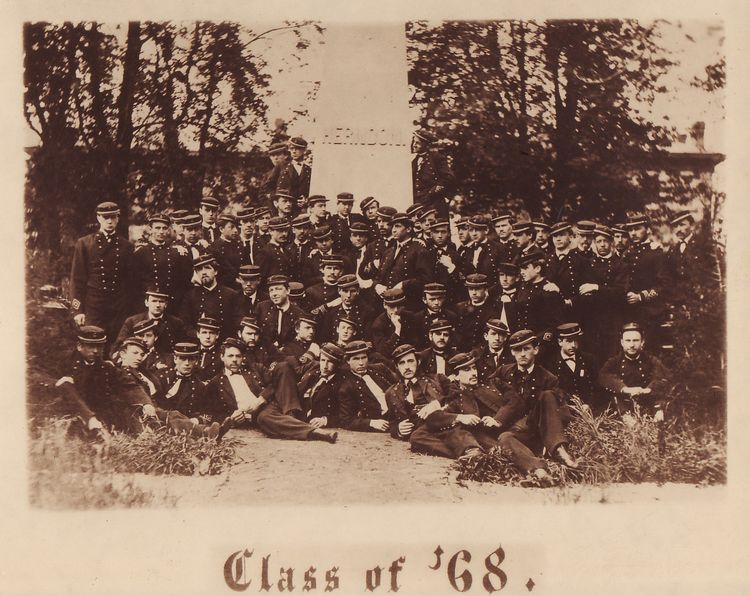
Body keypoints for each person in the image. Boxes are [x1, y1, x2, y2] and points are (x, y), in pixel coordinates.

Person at [204, 338, 337, 442]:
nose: (234, 360)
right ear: (222, 357)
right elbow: (214, 412)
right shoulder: (216, 383)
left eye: (238, 356)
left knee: (283, 367)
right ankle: (316, 433)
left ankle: (291, 414)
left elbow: (275, 383)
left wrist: (261, 399)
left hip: (270, 404)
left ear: (242, 357)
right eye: (230, 356)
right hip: (254, 415)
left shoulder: (255, 368)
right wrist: (231, 418)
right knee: (265, 419)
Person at [493, 330, 579, 483]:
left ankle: (559, 450)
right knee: (504, 438)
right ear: (512, 352)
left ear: (536, 350)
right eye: (518, 350)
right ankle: (538, 470)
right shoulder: (503, 373)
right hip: (514, 430)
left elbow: (561, 412)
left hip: (538, 431)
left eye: (526, 349)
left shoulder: (549, 378)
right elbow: (487, 393)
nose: (522, 354)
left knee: (547, 395)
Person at [70, 201, 134, 343]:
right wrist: (78, 310)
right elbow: (77, 279)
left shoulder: (126, 246)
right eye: (106, 218)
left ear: (118, 218)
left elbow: (130, 281)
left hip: (118, 305)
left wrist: (129, 309)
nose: (110, 221)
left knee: (116, 343)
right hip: (93, 304)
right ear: (98, 218)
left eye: (113, 217)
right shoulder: (85, 243)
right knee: (92, 342)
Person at [598, 323, 671, 418]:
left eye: (635, 340)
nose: (632, 345)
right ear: (622, 342)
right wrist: (625, 389)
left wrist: (648, 390)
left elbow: (663, 378)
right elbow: (603, 376)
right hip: (622, 408)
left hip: (647, 405)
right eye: (628, 341)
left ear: (642, 342)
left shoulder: (651, 361)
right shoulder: (614, 362)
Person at [385, 344, 446, 441]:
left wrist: (437, 404)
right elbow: (392, 423)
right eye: (402, 363)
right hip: (419, 437)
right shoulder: (391, 393)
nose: (407, 367)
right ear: (396, 366)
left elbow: (456, 398)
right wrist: (398, 430)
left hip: (443, 427)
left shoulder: (438, 379)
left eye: (410, 361)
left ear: (418, 361)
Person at [133, 212, 192, 309]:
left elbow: (184, 282)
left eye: (164, 228)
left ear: (168, 230)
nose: (161, 232)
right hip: (149, 305)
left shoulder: (176, 253)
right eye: (157, 228)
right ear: (150, 229)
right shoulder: (141, 253)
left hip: (172, 304)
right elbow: (135, 283)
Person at [338, 340, 398, 432]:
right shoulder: (347, 387)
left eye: (364, 358)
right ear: (348, 361)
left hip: (399, 411)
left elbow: (399, 384)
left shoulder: (380, 369)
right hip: (385, 423)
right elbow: (346, 420)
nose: (361, 363)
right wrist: (371, 422)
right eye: (356, 359)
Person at [374, 212, 432, 308]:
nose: (393, 230)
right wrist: (377, 286)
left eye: (397, 226)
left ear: (408, 229)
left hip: (409, 305)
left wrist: (403, 285)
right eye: (392, 227)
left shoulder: (419, 250)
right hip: (387, 304)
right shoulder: (388, 252)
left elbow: (426, 279)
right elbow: (378, 276)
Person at [179, 253, 239, 339]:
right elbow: (184, 323)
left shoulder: (231, 294)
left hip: (225, 341)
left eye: (207, 268)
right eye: (199, 269)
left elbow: (236, 322)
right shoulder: (190, 296)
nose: (203, 272)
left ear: (216, 271)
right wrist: (197, 335)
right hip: (199, 341)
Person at [115, 287, 186, 355]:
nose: (158, 305)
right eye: (154, 301)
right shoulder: (132, 321)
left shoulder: (176, 323)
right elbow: (119, 346)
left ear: (166, 304)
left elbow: (181, 347)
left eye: (161, 301)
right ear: (146, 303)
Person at [544, 323, 599, 410]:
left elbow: (597, 387)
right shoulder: (551, 364)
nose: (573, 345)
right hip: (563, 412)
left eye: (576, 340)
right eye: (569, 341)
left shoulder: (589, 359)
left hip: (589, 411)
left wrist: (589, 404)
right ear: (560, 342)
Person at [297, 342, 346, 428]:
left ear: (337, 365)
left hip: (316, 425)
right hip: (300, 419)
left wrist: (326, 420)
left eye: (330, 362)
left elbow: (347, 416)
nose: (325, 366)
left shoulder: (341, 384)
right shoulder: (314, 375)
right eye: (323, 360)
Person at [411, 128, 454, 219]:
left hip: (434, 204)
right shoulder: (414, 161)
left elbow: (448, 178)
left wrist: (432, 192)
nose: (414, 145)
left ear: (425, 144)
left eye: (417, 143)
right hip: (418, 205)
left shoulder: (436, 158)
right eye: (414, 142)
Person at [255, 275, 305, 350]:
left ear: (288, 290)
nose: (274, 294)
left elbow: (300, 340)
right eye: (271, 290)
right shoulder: (262, 307)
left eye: (278, 289)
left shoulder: (298, 314)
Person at [454, 273, 500, 352]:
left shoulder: (494, 308)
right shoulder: (460, 308)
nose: (474, 293)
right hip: (462, 352)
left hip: (484, 352)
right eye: (471, 289)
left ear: (485, 289)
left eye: (477, 289)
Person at [371, 288, 421, 359]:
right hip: (390, 360)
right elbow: (383, 352)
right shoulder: (378, 324)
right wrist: (397, 330)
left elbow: (416, 342)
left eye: (399, 306)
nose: (396, 310)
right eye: (392, 306)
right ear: (385, 305)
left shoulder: (409, 317)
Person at [256, 216, 297, 285]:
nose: (284, 234)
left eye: (286, 230)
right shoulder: (265, 252)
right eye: (280, 230)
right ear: (270, 231)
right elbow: (260, 279)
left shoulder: (287, 250)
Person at [210, 213, 242, 289]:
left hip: (240, 286)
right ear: (221, 229)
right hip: (223, 287)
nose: (235, 230)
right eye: (231, 227)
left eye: (236, 227)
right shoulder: (214, 247)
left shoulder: (239, 245)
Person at [194, 316, 223, 381]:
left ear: (217, 335)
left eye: (211, 333)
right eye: (204, 332)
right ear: (198, 334)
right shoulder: (192, 352)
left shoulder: (222, 354)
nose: (208, 336)